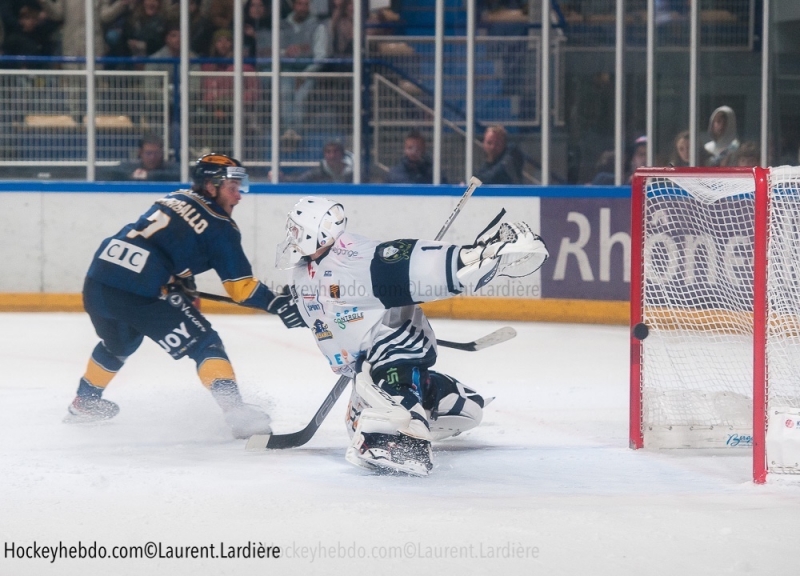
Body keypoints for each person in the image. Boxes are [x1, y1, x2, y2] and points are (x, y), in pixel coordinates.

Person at [274, 196, 549, 475]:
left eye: (296, 229)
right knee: (464, 412)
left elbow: (413, 263)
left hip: (391, 347)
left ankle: (410, 438)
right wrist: (295, 307)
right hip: (367, 356)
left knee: (381, 395)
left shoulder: (356, 260)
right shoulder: (304, 269)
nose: (291, 235)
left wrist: (475, 254)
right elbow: (322, 302)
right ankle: (430, 391)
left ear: (317, 232)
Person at [65, 154, 304, 438]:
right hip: (138, 292)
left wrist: (179, 279)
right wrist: (276, 302)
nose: (239, 196)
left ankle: (85, 401)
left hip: (97, 281)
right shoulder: (221, 228)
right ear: (211, 186)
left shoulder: (176, 197)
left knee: (120, 342)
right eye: (233, 188)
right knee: (205, 344)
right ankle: (236, 412)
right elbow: (242, 289)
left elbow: (163, 242)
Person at [279, 0, 330, 138]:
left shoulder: (318, 27)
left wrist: (305, 74)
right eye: (299, 4)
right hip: (286, 70)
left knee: (300, 98)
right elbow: (275, 50)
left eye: (306, 4)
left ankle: (297, 132)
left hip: (309, 72)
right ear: (293, 5)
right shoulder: (281, 25)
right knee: (285, 92)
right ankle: (288, 131)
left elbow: (321, 56)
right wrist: (285, 52)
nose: (302, 8)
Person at [105, 133, 180, 181]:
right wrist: (130, 175)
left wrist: (150, 176)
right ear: (140, 153)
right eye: (148, 153)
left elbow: (179, 175)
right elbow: (110, 172)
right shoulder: (132, 167)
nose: (152, 157)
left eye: (157, 153)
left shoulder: (170, 168)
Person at [272, 140, 354, 182]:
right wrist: (281, 178)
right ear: (324, 155)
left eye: (335, 152)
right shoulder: (317, 173)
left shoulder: (352, 174)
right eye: (328, 152)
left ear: (342, 154)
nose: (332, 156)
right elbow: (299, 180)